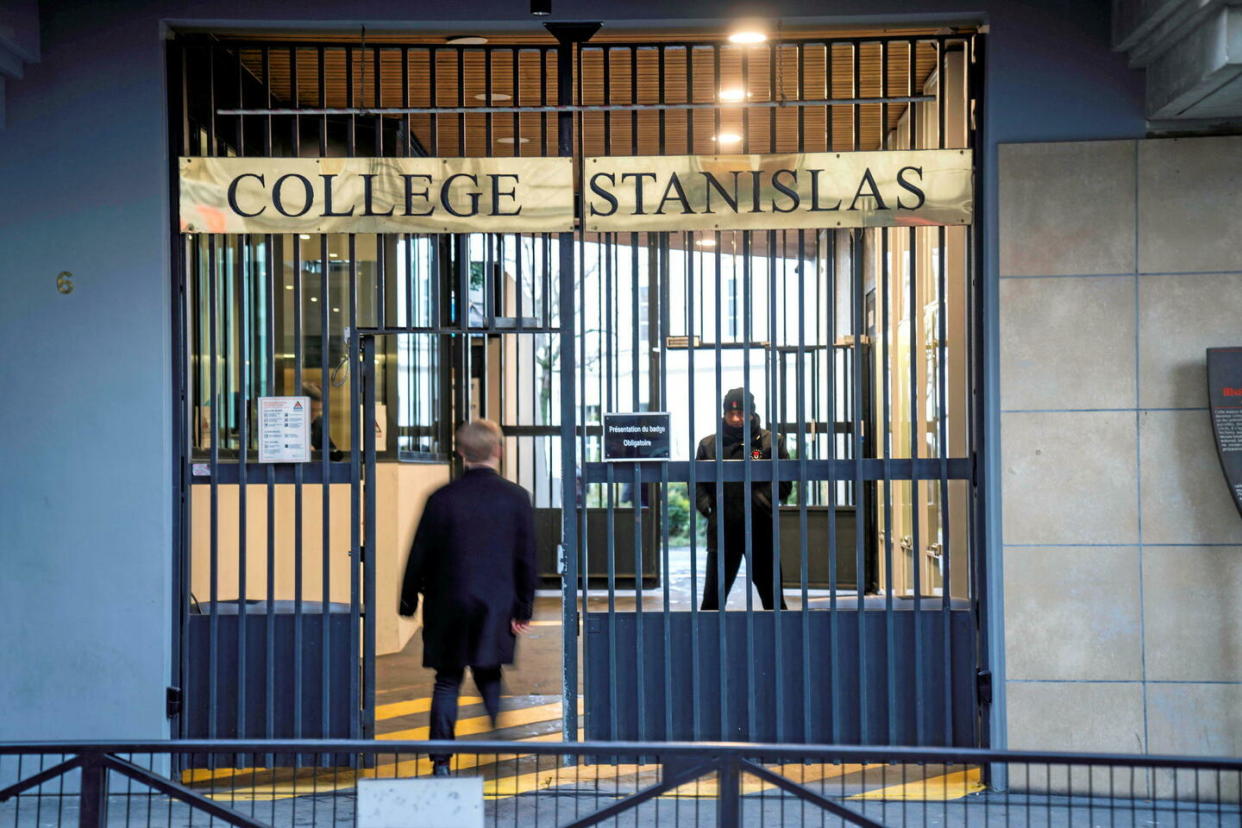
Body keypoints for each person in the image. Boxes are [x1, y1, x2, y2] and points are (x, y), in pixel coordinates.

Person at [398, 419, 537, 776]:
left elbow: (420, 552)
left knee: (447, 680)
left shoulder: (441, 498)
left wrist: (408, 599)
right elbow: (526, 557)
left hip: (447, 603)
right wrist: (524, 607)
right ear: (498, 451)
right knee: (488, 669)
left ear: (461, 453)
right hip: (495, 604)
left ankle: (441, 760)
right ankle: (497, 731)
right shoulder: (516, 498)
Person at [695, 388, 792, 610]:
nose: (736, 419)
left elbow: (785, 482)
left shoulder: (770, 443)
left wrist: (761, 501)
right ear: (724, 414)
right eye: (731, 414)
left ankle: (782, 643)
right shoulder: (708, 445)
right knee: (711, 602)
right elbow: (696, 483)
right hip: (723, 530)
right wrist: (708, 507)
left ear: (752, 413)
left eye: (742, 414)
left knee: (773, 599)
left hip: (760, 530)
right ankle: (708, 644)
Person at [302, 382, 343, 461]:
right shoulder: (286, 421)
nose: (315, 414)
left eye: (318, 410)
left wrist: (316, 453)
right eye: (311, 410)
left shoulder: (319, 422)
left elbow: (330, 450)